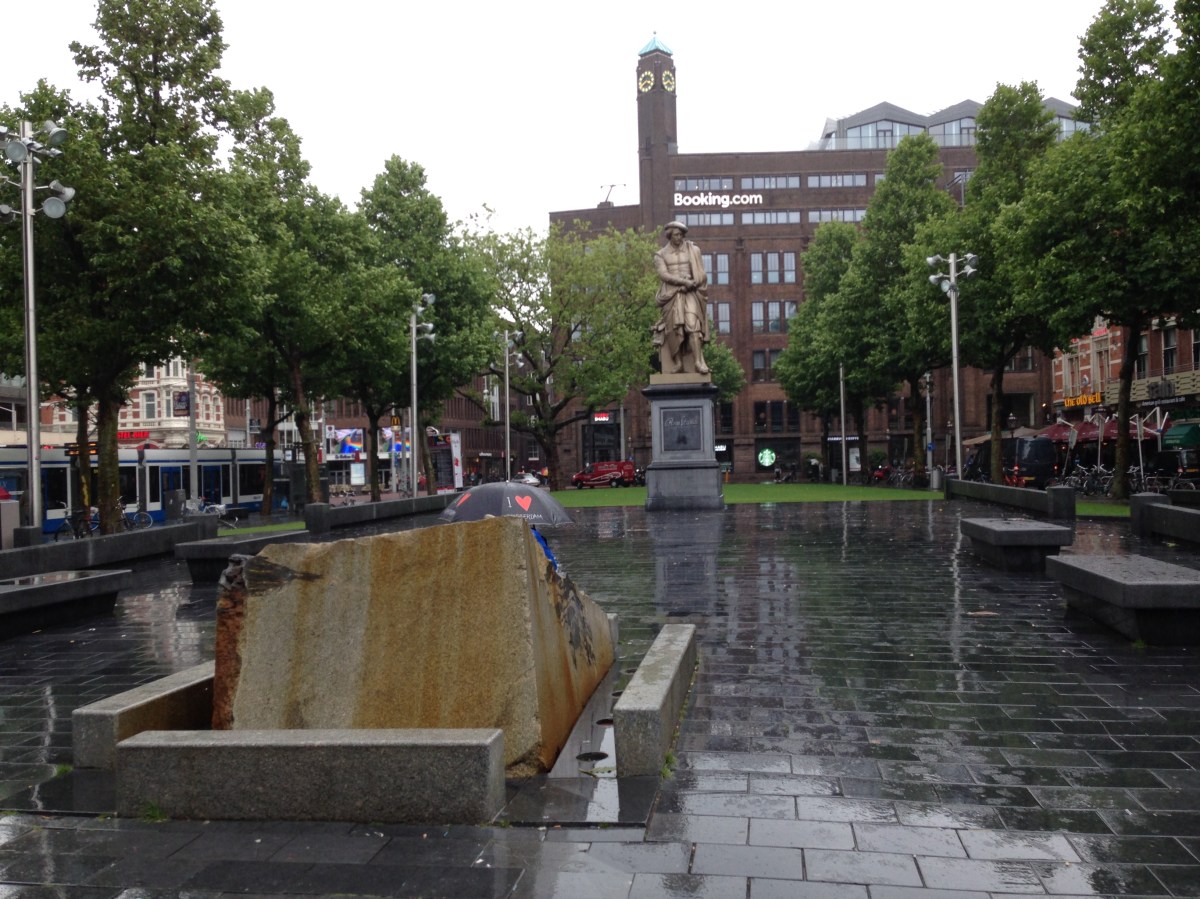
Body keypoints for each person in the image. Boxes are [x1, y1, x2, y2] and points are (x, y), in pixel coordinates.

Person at [652, 221, 710, 375]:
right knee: (672, 329)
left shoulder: (693, 250)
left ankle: (698, 362)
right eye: (676, 235)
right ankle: (678, 363)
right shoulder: (660, 255)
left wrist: (692, 283)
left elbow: (701, 273)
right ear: (669, 236)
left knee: (693, 324)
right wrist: (683, 282)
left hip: (690, 292)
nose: (680, 238)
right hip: (670, 295)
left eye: (681, 235)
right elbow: (664, 275)